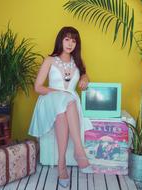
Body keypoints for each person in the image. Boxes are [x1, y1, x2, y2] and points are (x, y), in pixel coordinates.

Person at [28, 26, 93, 188]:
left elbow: (84, 74)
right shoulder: (49, 60)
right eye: (67, 39)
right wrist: (58, 93)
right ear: (60, 40)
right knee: (67, 100)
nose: (70, 43)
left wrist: (85, 78)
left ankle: (61, 164)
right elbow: (38, 87)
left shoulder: (78, 62)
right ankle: (79, 150)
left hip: (68, 103)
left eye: (74, 40)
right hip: (49, 99)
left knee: (65, 107)